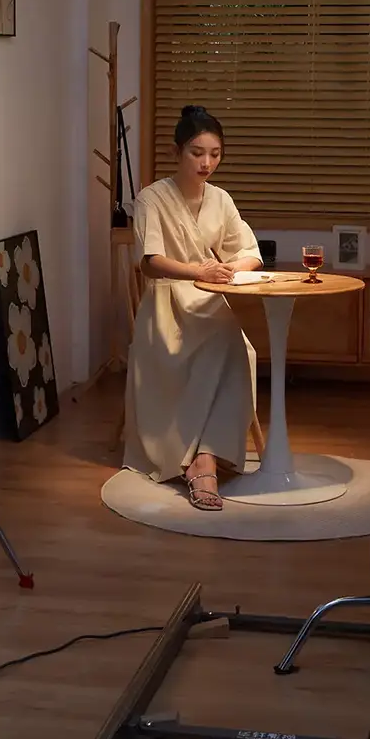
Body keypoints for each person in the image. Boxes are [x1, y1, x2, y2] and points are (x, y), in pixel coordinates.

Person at [122, 105, 262, 510]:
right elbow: (150, 261)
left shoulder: (221, 199)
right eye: (197, 153)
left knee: (237, 347)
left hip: (208, 302)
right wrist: (198, 270)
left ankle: (205, 455)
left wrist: (227, 270)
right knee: (228, 344)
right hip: (166, 305)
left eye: (215, 154)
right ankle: (202, 458)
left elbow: (250, 253)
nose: (206, 163)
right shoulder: (151, 198)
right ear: (176, 152)